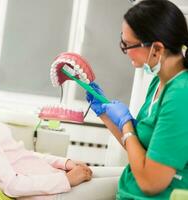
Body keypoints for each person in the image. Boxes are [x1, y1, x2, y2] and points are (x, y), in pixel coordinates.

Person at [0, 48, 122, 200]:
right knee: (133, 182)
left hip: (52, 179)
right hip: (52, 193)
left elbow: (20, 156)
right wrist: (67, 179)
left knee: (126, 173)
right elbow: (11, 185)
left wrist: (64, 163)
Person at [86, 0, 188, 199]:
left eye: (127, 45)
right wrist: (105, 114)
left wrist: (126, 124)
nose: (124, 51)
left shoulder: (181, 96)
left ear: (156, 49)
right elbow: (139, 149)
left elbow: (151, 182)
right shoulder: (159, 83)